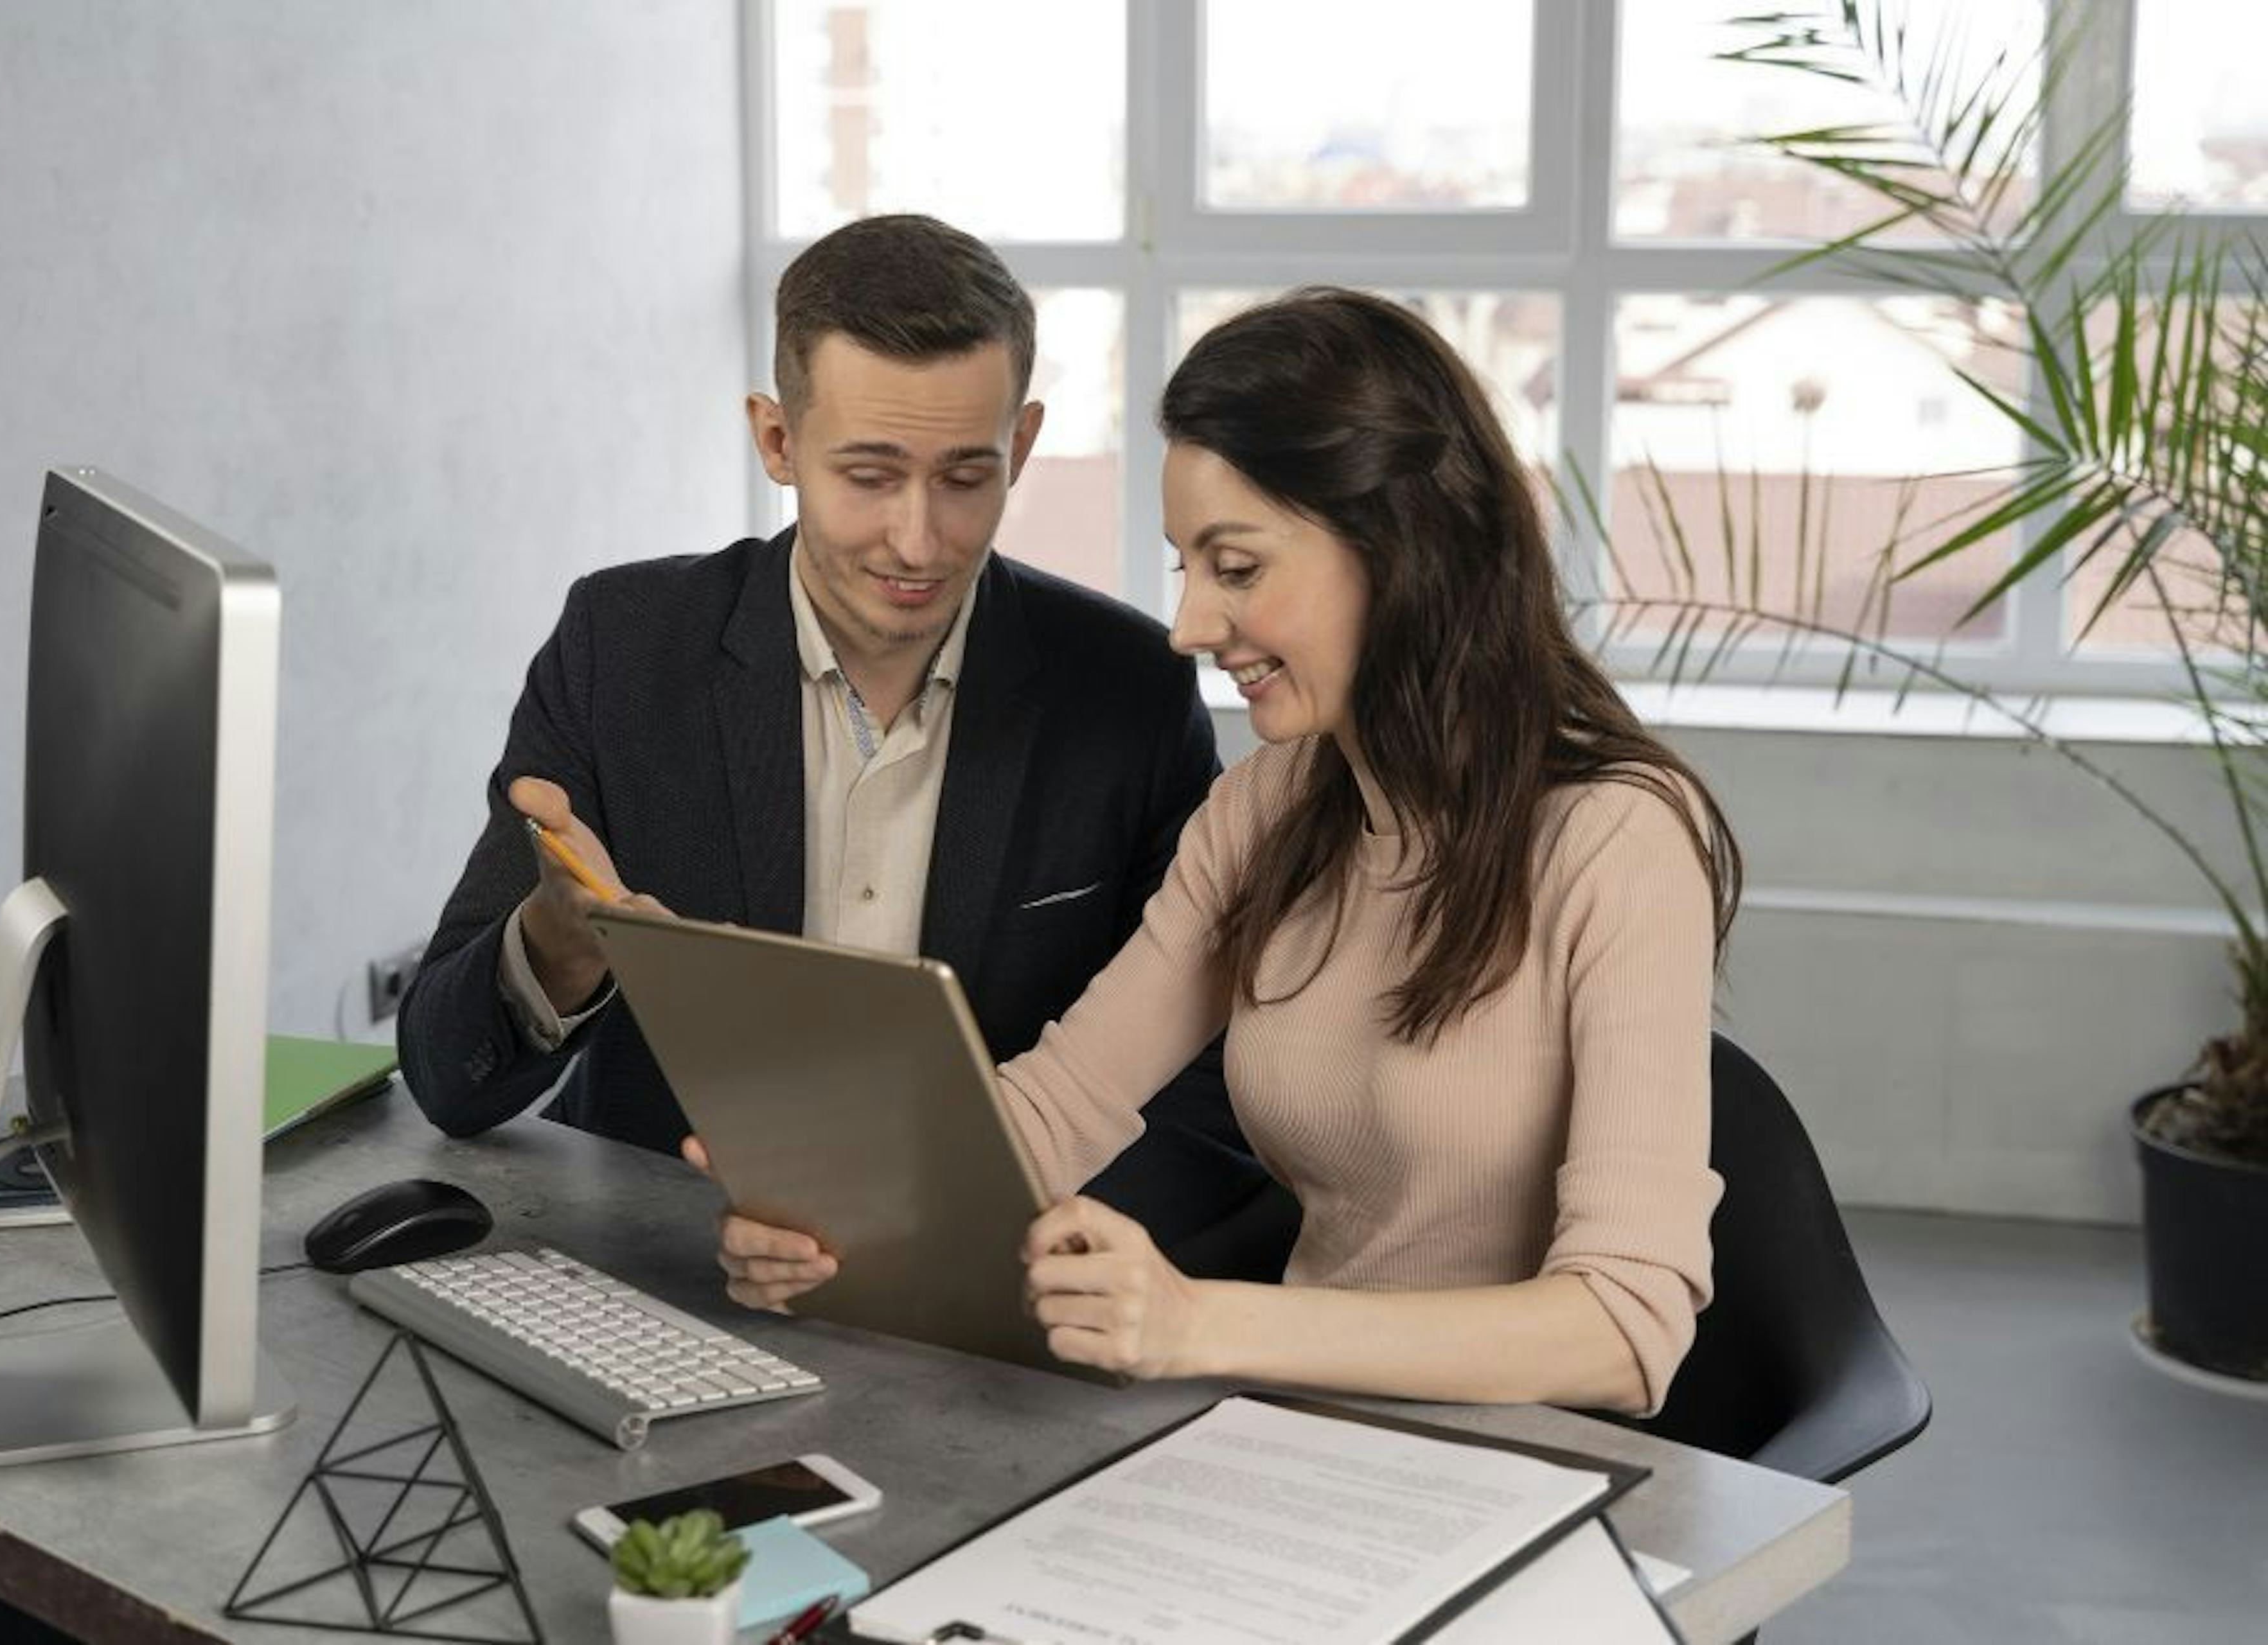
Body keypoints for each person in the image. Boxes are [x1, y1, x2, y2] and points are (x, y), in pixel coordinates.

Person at [718, 288, 1743, 1416]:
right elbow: (1061, 1103)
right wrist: (826, 1203)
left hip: (1516, 1469)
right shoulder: (1267, 809)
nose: (1191, 626)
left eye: (1238, 568)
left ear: (1401, 547)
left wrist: (1202, 1319)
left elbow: (1623, 1328)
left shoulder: (1617, 840)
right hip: (1292, 1436)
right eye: (1185, 569)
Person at [395, 213, 1271, 1247]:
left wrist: (992, 1252)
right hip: (666, 1280)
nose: (918, 537)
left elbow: (1208, 1099)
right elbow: (448, 1079)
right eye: (868, 475)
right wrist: (554, 949)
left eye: (964, 476)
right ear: (777, 439)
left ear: (1022, 445)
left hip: (997, 1311)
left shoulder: (1127, 690)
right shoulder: (620, 650)